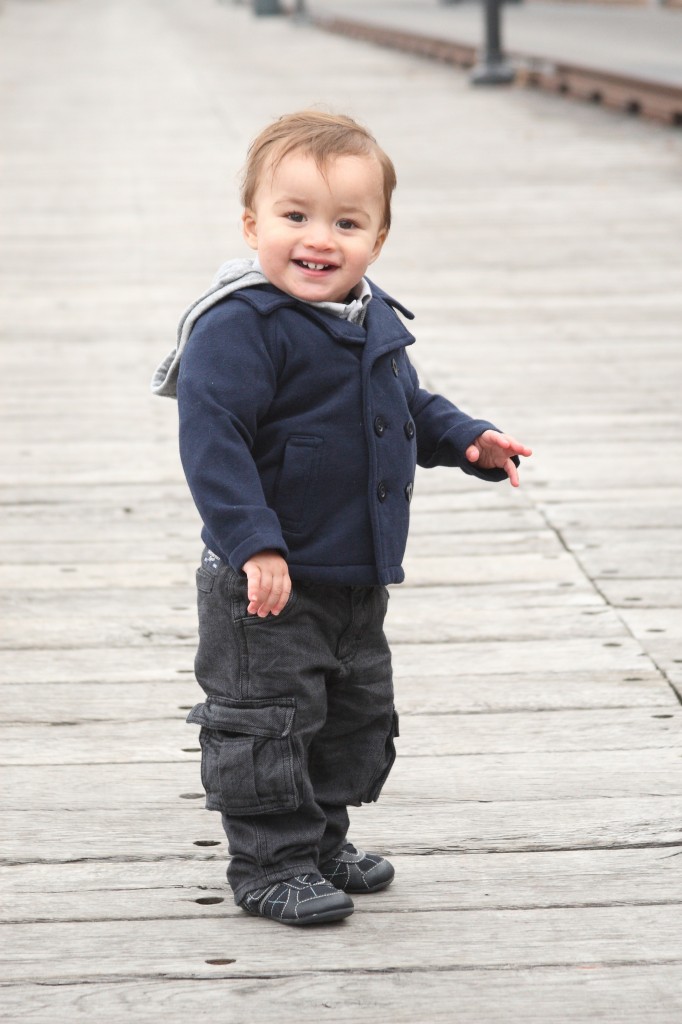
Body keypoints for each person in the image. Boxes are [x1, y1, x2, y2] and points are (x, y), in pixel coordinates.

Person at [151, 110, 531, 926]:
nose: (319, 240)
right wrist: (254, 543)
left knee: (346, 715)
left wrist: (467, 438)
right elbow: (214, 446)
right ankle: (269, 862)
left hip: (355, 575)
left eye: (346, 223)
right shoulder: (238, 327)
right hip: (268, 580)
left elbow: (404, 405)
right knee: (268, 720)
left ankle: (320, 842)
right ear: (253, 224)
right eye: (295, 217)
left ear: (378, 238)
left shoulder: (369, 318)